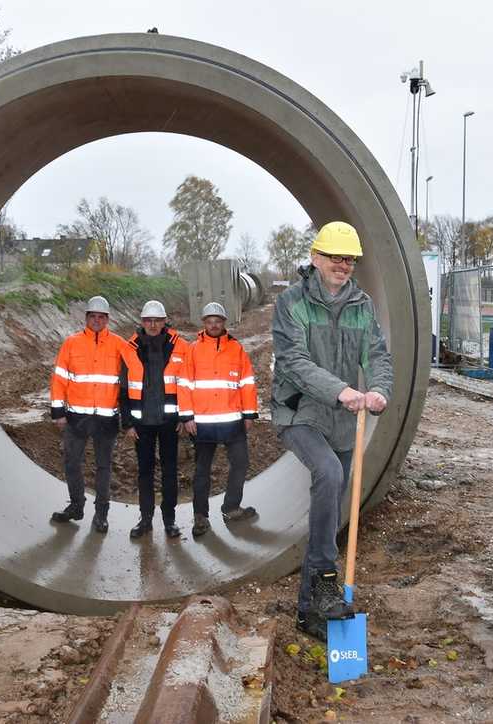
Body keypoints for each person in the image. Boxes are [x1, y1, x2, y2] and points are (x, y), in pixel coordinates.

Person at [271, 220, 392, 643]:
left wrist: (378, 389)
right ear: (315, 258)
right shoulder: (291, 303)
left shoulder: (362, 305)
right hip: (299, 413)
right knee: (330, 474)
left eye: (350, 259)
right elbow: (295, 363)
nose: (344, 265)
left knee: (331, 505)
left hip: (343, 419)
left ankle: (308, 611)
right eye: (336, 257)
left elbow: (377, 355)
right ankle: (325, 581)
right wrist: (341, 390)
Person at [48, 295, 136, 534]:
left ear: (107, 319)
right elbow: (59, 379)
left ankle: (101, 515)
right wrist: (58, 411)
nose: (97, 320)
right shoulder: (71, 343)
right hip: (77, 418)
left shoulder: (119, 345)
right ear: (86, 318)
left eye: (101, 317)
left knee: (103, 467)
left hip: (106, 419)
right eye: (92, 316)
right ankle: (76, 506)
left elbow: (135, 374)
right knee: (72, 462)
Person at [177, 302, 259, 537]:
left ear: (224, 322)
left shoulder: (236, 349)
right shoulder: (193, 350)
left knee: (241, 462)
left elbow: (247, 383)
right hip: (202, 423)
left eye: (218, 321)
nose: (214, 325)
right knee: (202, 470)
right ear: (204, 324)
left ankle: (231, 507)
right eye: (209, 321)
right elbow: (183, 385)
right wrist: (186, 416)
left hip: (232, 420)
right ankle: (200, 516)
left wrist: (249, 414)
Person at [119, 300, 188, 540]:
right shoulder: (130, 347)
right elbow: (124, 388)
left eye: (157, 320)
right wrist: (127, 422)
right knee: (145, 472)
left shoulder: (179, 346)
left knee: (170, 471)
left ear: (164, 321)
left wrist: (184, 415)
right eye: (148, 320)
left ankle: (169, 520)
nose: (152, 324)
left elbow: (187, 384)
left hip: (170, 422)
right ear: (142, 322)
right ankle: (145, 519)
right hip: (142, 424)